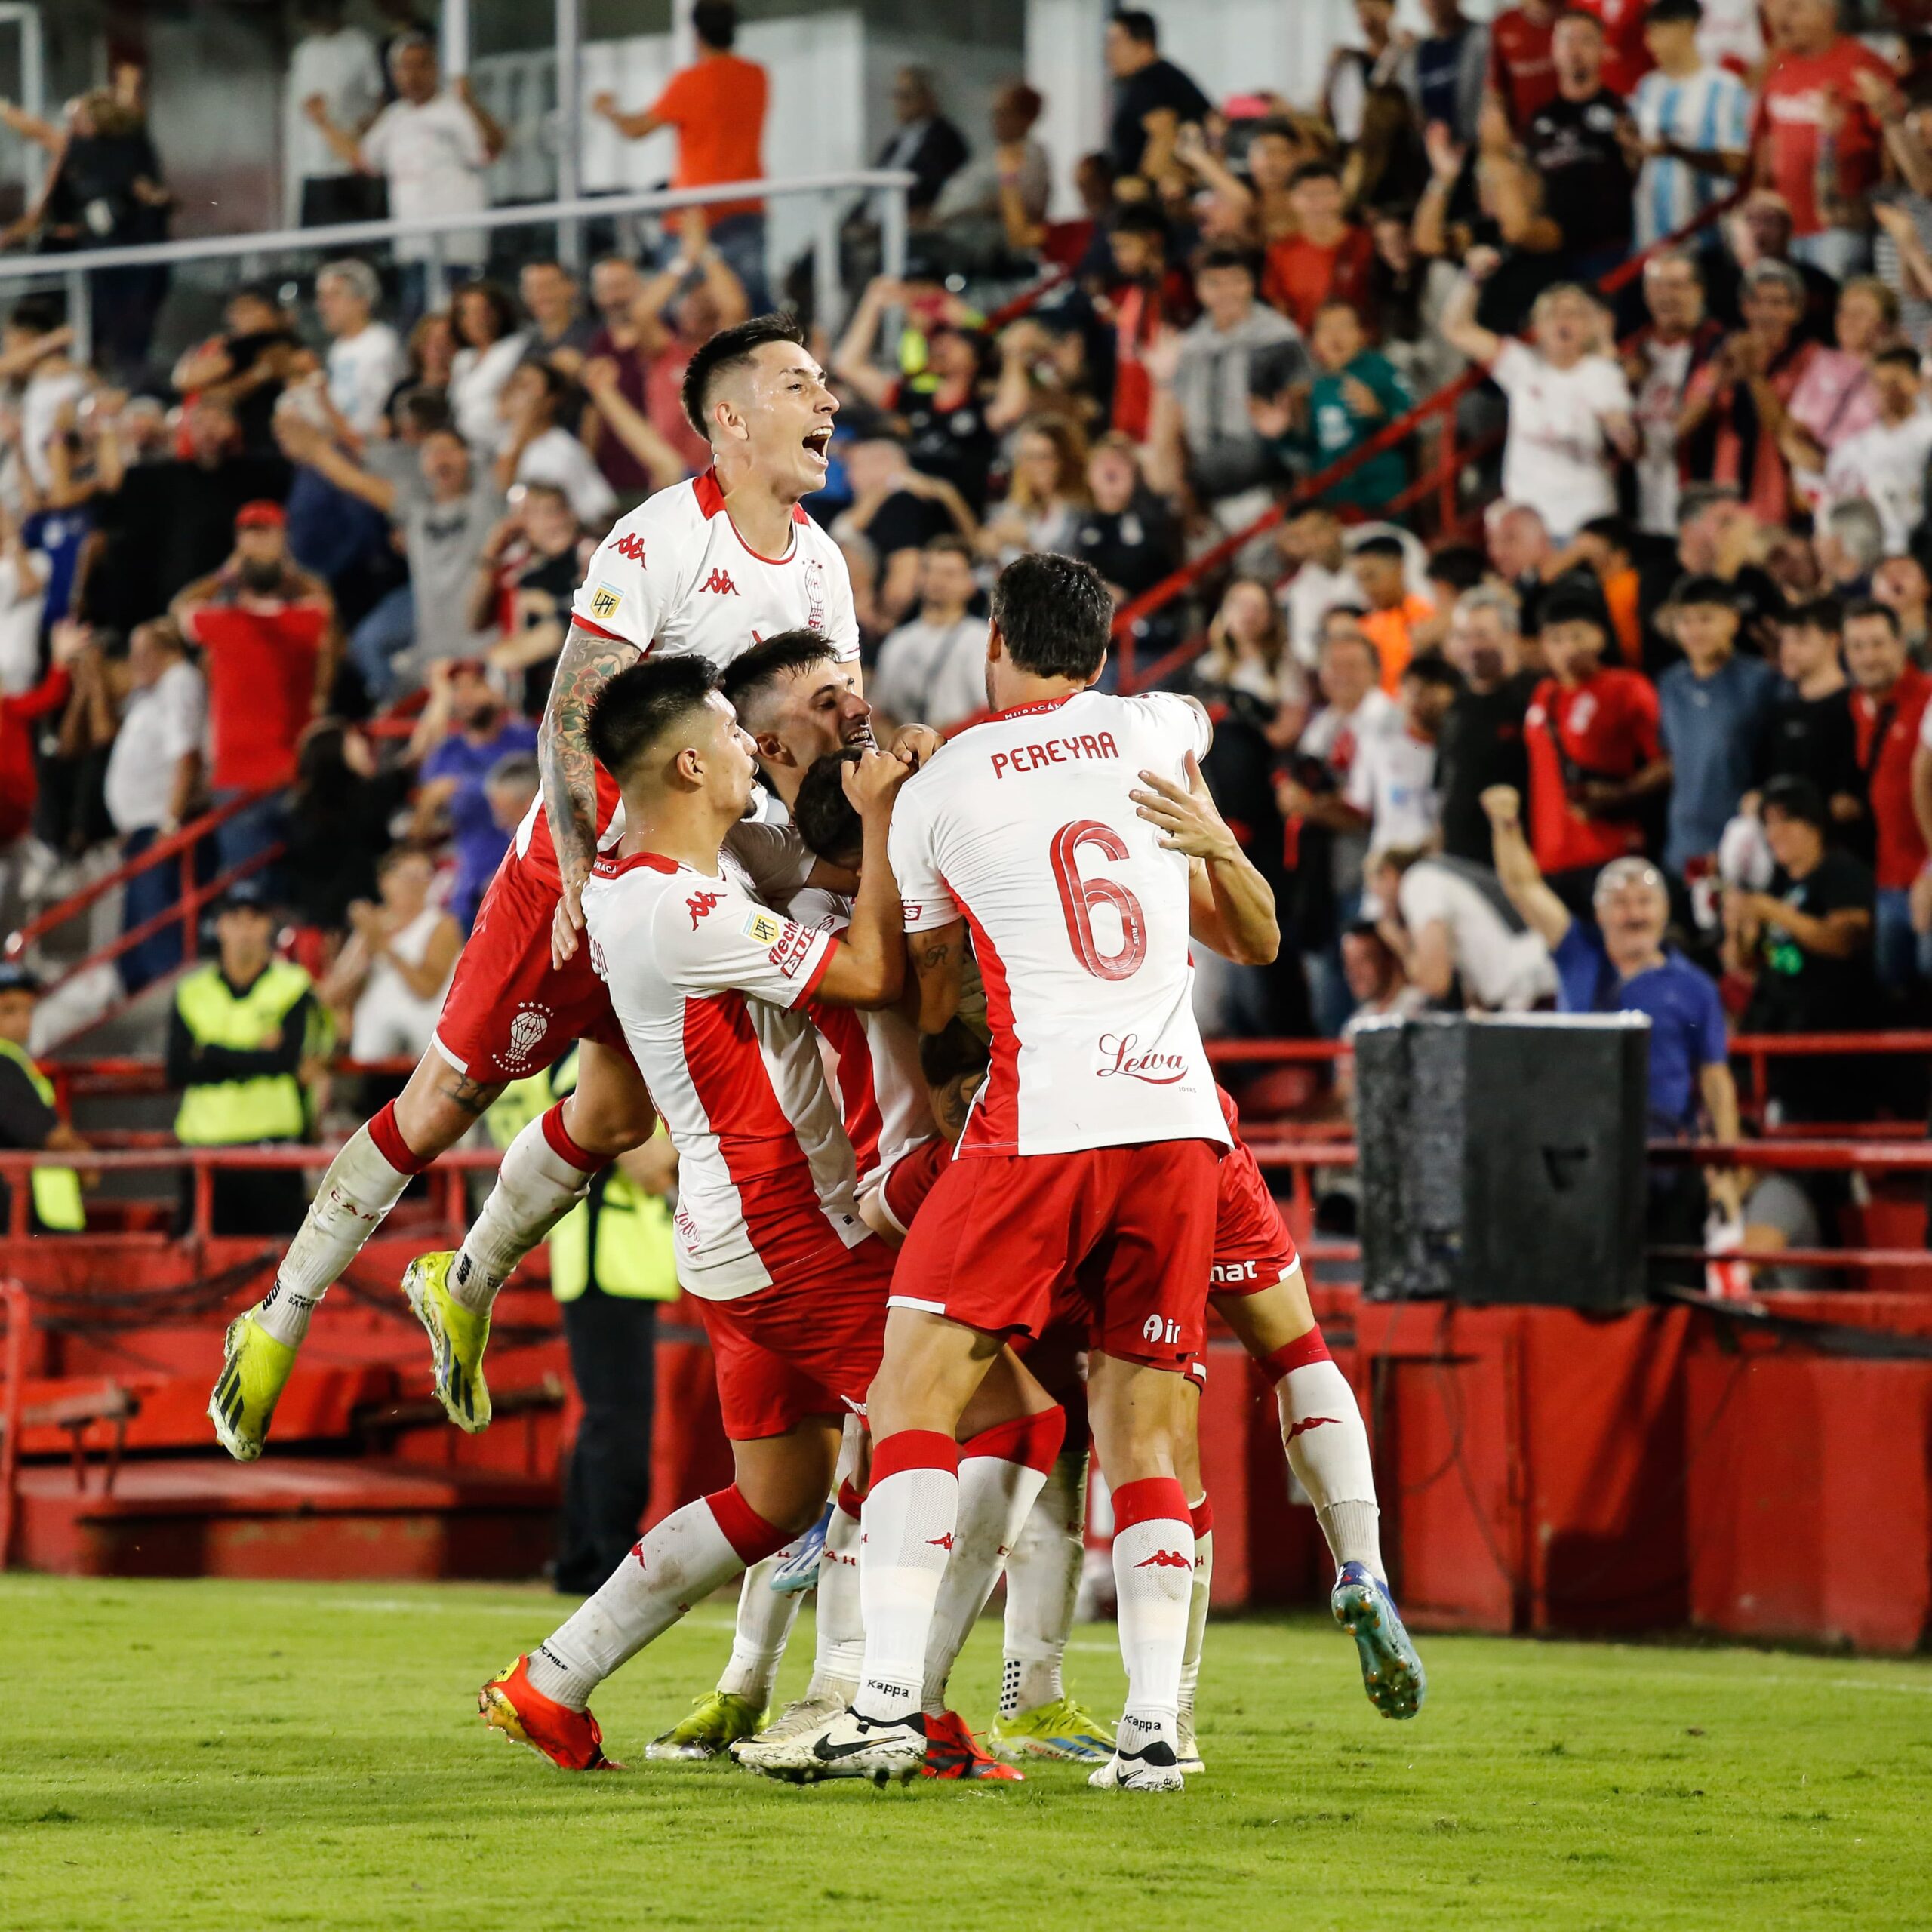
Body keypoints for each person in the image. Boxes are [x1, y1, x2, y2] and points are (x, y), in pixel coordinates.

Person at [205, 315, 855, 1465]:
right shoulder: (658, 540)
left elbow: (822, 726)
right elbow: (570, 708)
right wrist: (573, 864)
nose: (829, 403)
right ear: (731, 419)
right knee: (437, 1106)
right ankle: (280, 1311)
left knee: (617, 1116)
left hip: (697, 885)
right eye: (802, 384)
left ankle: (463, 1279)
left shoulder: (821, 562)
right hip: (589, 873)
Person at [754, 552, 1294, 1792]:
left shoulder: (949, 782)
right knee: (1150, 1429)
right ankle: (1157, 1734)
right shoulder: (1162, 726)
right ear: (1105, 655)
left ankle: (886, 1701)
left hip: (1039, 1119)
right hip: (1176, 1123)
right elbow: (1216, 840)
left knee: (914, 1391)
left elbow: (927, 992)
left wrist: (888, 810)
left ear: (994, 641)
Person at [475, 657, 1044, 1775]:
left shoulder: (664, 886)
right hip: (791, 1229)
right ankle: (907, 1710)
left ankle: (552, 1680)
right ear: (690, 761)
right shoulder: (683, 910)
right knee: (1009, 1421)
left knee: (773, 1497)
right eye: (736, 731)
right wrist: (885, 820)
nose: (751, 749)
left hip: (731, 1236)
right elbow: (877, 970)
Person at [1484, 786, 1743, 1262]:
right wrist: (1506, 825)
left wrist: (1725, 1173)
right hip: (1577, 1153)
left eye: (1644, 901)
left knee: (1664, 1277)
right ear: (1600, 913)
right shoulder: (1578, 955)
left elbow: (1716, 1082)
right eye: (1621, 902)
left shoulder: (1695, 988)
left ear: (1664, 912)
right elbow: (1523, 887)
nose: (1634, 913)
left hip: (1661, 1159)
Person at [481, 1050, 679, 1595]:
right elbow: (642, 1159)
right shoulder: (591, 1058)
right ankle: (610, 1558)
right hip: (611, 1256)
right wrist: (687, 1146)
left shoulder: (555, 1059)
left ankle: (581, 1556)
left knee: (603, 1416)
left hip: (599, 1255)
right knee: (620, 1416)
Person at [273, 414, 503, 696]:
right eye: (431, 452)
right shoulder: (414, 511)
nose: (441, 459)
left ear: (467, 458)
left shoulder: (488, 503)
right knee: (368, 647)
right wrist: (318, 449)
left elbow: (509, 460)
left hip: (483, 649)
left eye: (449, 451)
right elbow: (354, 481)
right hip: (431, 654)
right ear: (421, 464)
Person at [171, 503, 336, 878]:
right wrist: (276, 564)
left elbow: (181, 605)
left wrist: (230, 569)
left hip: (269, 776)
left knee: (261, 892)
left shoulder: (286, 620)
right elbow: (324, 602)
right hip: (263, 778)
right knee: (276, 891)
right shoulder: (296, 619)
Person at [308, 34, 506, 317]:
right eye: (404, 67)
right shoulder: (394, 117)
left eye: (421, 66)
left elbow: (491, 149)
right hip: (413, 249)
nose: (413, 75)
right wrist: (324, 123)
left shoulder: (455, 110)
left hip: (457, 249)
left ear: (435, 68)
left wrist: (471, 103)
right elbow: (361, 158)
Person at [171, 881, 325, 1241]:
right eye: (234, 918)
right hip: (204, 1149)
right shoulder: (191, 991)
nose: (244, 929)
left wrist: (210, 1053)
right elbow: (178, 1069)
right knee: (207, 1272)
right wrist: (260, 1055)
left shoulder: (293, 984)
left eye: (254, 918)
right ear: (220, 925)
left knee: (282, 1273)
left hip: (273, 1150)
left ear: (268, 926)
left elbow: (287, 1061)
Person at [592, 1, 771, 309]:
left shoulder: (690, 81)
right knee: (751, 309)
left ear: (696, 35)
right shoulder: (756, 76)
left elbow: (636, 129)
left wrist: (608, 111)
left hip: (691, 215)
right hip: (744, 205)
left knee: (676, 309)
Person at [1723, 774, 1878, 1122]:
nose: (1775, 833)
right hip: (1775, 1033)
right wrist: (1738, 929)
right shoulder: (1776, 884)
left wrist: (1771, 910)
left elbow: (1843, 942)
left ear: (1814, 823)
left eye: (1786, 820)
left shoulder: (1841, 871)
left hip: (1827, 1041)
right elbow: (1743, 963)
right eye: (1769, 824)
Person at [1441, 273, 1636, 545]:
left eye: (1574, 314)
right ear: (1538, 325)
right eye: (1554, 314)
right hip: (1530, 527)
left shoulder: (1602, 374)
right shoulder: (1521, 365)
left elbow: (1628, 444)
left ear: (1590, 325)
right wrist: (1472, 279)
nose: (1563, 322)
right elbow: (1457, 329)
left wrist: (1619, 426)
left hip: (1586, 522)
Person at [1523, 586, 1668, 908]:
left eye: (1577, 636)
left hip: (1609, 850)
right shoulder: (1542, 695)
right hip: (1549, 858)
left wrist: (1624, 793)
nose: (1567, 648)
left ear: (1599, 638)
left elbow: (1666, 762)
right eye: (1556, 640)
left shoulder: (1626, 688)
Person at [1155, 247, 1306, 528]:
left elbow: (1301, 410)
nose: (1227, 292)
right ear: (1200, 290)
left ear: (1251, 283)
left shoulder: (1278, 339)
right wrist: (1184, 488)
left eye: (1236, 280)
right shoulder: (1190, 348)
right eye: (1214, 283)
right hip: (1204, 487)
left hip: (1264, 485)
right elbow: (1177, 424)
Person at [1748, 0, 1894, 281]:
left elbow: (1892, 142)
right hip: (1784, 227)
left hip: (1839, 228)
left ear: (1829, 13)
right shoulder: (1778, 63)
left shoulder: (1862, 63)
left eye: (1796, 8)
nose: (1783, 18)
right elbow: (1764, 141)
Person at [104, 617, 205, 993]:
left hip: (160, 825)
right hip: (141, 827)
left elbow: (186, 756)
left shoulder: (180, 681)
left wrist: (171, 821)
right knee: (135, 934)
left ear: (167, 651)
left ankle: (168, 996)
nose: (133, 662)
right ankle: (137, 987)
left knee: (158, 924)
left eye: (141, 653)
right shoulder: (153, 692)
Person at [1657, 574, 1778, 878]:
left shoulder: (1760, 681)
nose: (1694, 630)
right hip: (1681, 848)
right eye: (1685, 620)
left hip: (1744, 848)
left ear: (1733, 621)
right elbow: (1672, 759)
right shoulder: (1671, 684)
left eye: (1706, 619)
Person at [409, 658, 540, 931]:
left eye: (476, 686)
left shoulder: (530, 741)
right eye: (459, 689)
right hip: (472, 893)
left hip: (530, 878)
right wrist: (428, 806)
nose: (466, 696)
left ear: (498, 691)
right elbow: (419, 836)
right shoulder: (446, 754)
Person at [1844, 598, 1932, 995]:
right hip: (1887, 878)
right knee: (1893, 994)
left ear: (1901, 645)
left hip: (1925, 874)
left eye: (1877, 644)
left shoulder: (1929, 698)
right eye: (1857, 647)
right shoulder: (1857, 707)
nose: (1868, 657)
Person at [1367, 844, 1556, 1011]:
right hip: (1536, 984)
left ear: (1388, 874)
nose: (1381, 907)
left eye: (1376, 894)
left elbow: (1435, 982)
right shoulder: (1439, 871)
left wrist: (1400, 942)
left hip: (1531, 993)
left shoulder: (1418, 882)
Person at [1626, 0, 1751, 252]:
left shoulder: (1725, 88)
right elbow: (1643, 161)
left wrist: (1676, 151)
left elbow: (1736, 162)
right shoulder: (1647, 87)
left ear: (1686, 28)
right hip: (1650, 239)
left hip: (1706, 239)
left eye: (1658, 32)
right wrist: (1630, 146)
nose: (1650, 43)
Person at [1522, 8, 1635, 280]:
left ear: (1602, 49)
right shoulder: (1540, 118)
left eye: (1585, 40)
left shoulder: (1624, 111)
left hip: (1608, 251)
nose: (1574, 50)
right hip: (1553, 254)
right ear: (1553, 49)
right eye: (1566, 40)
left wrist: (1635, 151)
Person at [320, 845, 461, 1063]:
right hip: (372, 1055)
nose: (415, 884)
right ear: (384, 881)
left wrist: (385, 948)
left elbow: (427, 989)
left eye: (423, 875)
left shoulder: (441, 925)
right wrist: (367, 947)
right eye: (407, 876)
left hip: (421, 1054)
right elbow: (331, 994)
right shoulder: (369, 930)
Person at [1626, 248, 1724, 545]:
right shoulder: (1631, 353)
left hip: (1702, 512)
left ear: (1699, 291)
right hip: (1640, 511)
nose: (1666, 296)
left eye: (1677, 286)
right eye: (1658, 286)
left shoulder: (1719, 349)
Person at [1435, 583, 1539, 865]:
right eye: (1461, 636)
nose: (1471, 647)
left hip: (1519, 862)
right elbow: (1447, 784)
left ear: (1511, 636)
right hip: (1460, 859)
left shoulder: (1536, 698)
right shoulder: (1457, 704)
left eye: (1481, 635)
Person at [0, 962, 88, 1234]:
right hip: (26, 1218)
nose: (23, 1020)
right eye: (9, 1010)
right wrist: (85, 1159)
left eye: (28, 1009)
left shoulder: (15, 1060)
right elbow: (44, 1133)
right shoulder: (4, 1064)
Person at [868, 535, 987, 735]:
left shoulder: (982, 640)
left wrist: (936, 743)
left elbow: (988, 711)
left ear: (970, 582)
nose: (937, 580)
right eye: (929, 570)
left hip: (960, 749)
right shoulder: (898, 640)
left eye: (949, 573)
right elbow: (879, 712)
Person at [1348, 653, 1459, 863]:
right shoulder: (1378, 743)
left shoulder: (1460, 752)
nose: (1419, 702)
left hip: (1438, 867)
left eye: (1429, 693)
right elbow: (1357, 808)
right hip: (1385, 870)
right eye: (1413, 692)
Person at [1820, 347, 1932, 556]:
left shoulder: (1928, 433)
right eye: (1878, 383)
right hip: (1876, 555)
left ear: (1917, 383)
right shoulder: (1853, 448)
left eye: (1895, 383)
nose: (1885, 391)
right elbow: (1832, 503)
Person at [285, 0, 385, 227]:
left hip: (351, 164)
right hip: (312, 165)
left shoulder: (360, 44)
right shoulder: (304, 53)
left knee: (355, 239)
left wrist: (366, 128)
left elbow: (379, 97)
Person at [1260, 162, 1375, 335]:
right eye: (1310, 195)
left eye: (1327, 193)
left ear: (1341, 196)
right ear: (1292, 199)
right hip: (1304, 347)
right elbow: (1280, 309)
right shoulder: (1281, 251)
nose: (1319, 203)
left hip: (1362, 346)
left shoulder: (1366, 242)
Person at [1105, 11, 1211, 180]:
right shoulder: (1167, 76)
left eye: (1115, 43)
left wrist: (1142, 188)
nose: (1108, 53)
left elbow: (1164, 137)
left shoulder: (1150, 82)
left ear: (1144, 46)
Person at [315, 258, 408, 441]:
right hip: (345, 441)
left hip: (374, 447)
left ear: (362, 301)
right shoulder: (338, 348)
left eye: (334, 296)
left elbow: (386, 407)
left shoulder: (381, 344)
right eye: (322, 297)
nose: (324, 306)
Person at [873, 67, 970, 223]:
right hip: (875, 222)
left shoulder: (945, 140)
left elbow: (938, 192)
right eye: (896, 96)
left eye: (906, 96)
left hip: (909, 224)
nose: (899, 103)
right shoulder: (896, 143)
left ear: (928, 98)